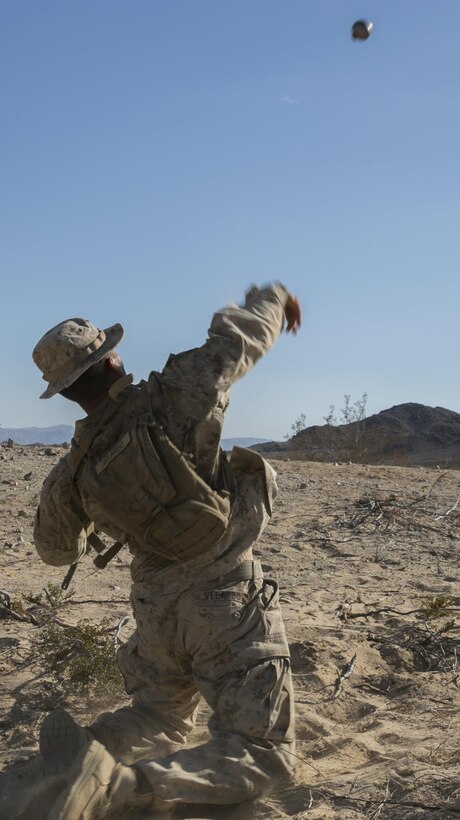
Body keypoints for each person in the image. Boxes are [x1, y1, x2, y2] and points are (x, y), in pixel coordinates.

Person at [30, 283, 301, 819]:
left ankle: (83, 755)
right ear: (113, 357)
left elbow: (54, 550)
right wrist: (274, 298)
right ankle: (125, 786)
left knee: (160, 714)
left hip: (156, 611)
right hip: (223, 599)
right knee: (267, 754)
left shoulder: (72, 472)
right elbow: (239, 337)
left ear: (64, 392)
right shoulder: (177, 393)